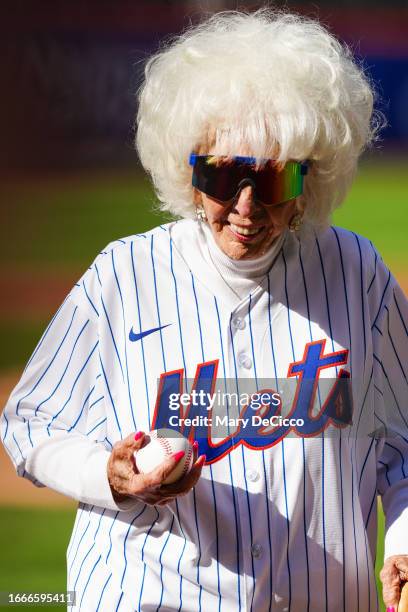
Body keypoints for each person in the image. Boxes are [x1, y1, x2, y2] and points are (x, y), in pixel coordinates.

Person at [1, 8, 408, 611]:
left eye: (271, 180)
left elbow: (403, 444)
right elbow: (27, 424)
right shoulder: (124, 274)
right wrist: (108, 477)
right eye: (222, 176)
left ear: (309, 182)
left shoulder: (358, 275)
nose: (245, 206)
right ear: (190, 173)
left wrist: (403, 540)